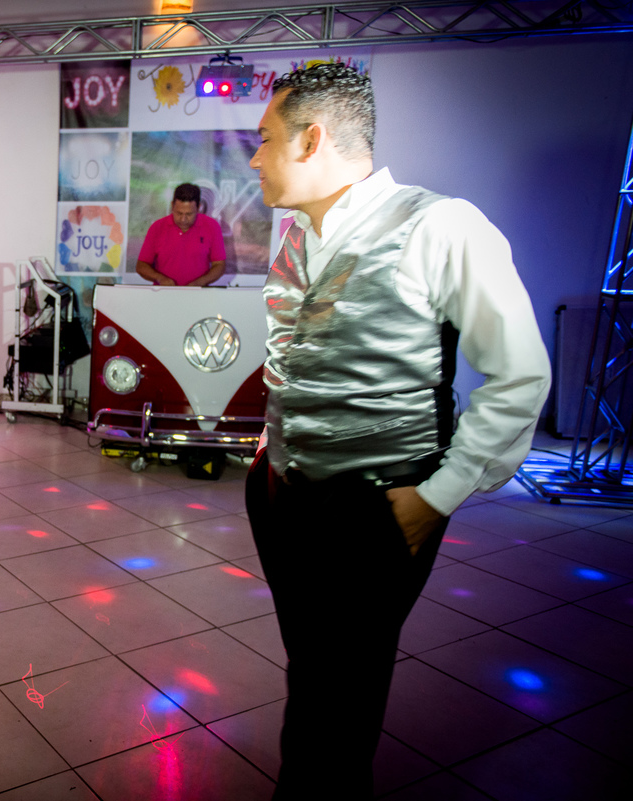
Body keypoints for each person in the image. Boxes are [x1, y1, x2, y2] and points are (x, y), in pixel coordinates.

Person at [243, 64, 550, 799]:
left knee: (345, 686)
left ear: (312, 139)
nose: (254, 158)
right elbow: (295, 355)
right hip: (284, 493)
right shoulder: (294, 239)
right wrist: (269, 447)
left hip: (376, 508)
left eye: (263, 140)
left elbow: (520, 374)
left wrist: (437, 495)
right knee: (313, 663)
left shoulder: (442, 224)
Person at [135, 182, 229, 286]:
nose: (183, 219)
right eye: (179, 213)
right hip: (164, 295)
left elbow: (219, 265)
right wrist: (160, 279)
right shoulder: (157, 227)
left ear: (199, 208)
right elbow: (141, 266)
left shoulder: (212, 227)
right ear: (172, 206)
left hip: (199, 296)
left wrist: (199, 283)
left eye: (189, 214)